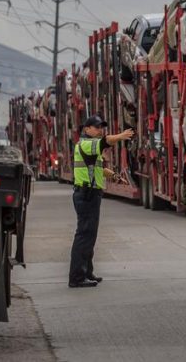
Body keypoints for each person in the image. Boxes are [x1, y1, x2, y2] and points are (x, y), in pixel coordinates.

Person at [69, 115, 134, 288]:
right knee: (84, 235)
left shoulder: (89, 148)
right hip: (86, 194)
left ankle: (87, 272)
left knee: (89, 235)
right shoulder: (86, 143)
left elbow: (97, 167)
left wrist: (113, 175)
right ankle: (76, 277)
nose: (100, 130)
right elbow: (106, 142)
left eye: (101, 127)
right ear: (86, 129)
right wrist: (121, 136)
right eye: (97, 127)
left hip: (89, 194)